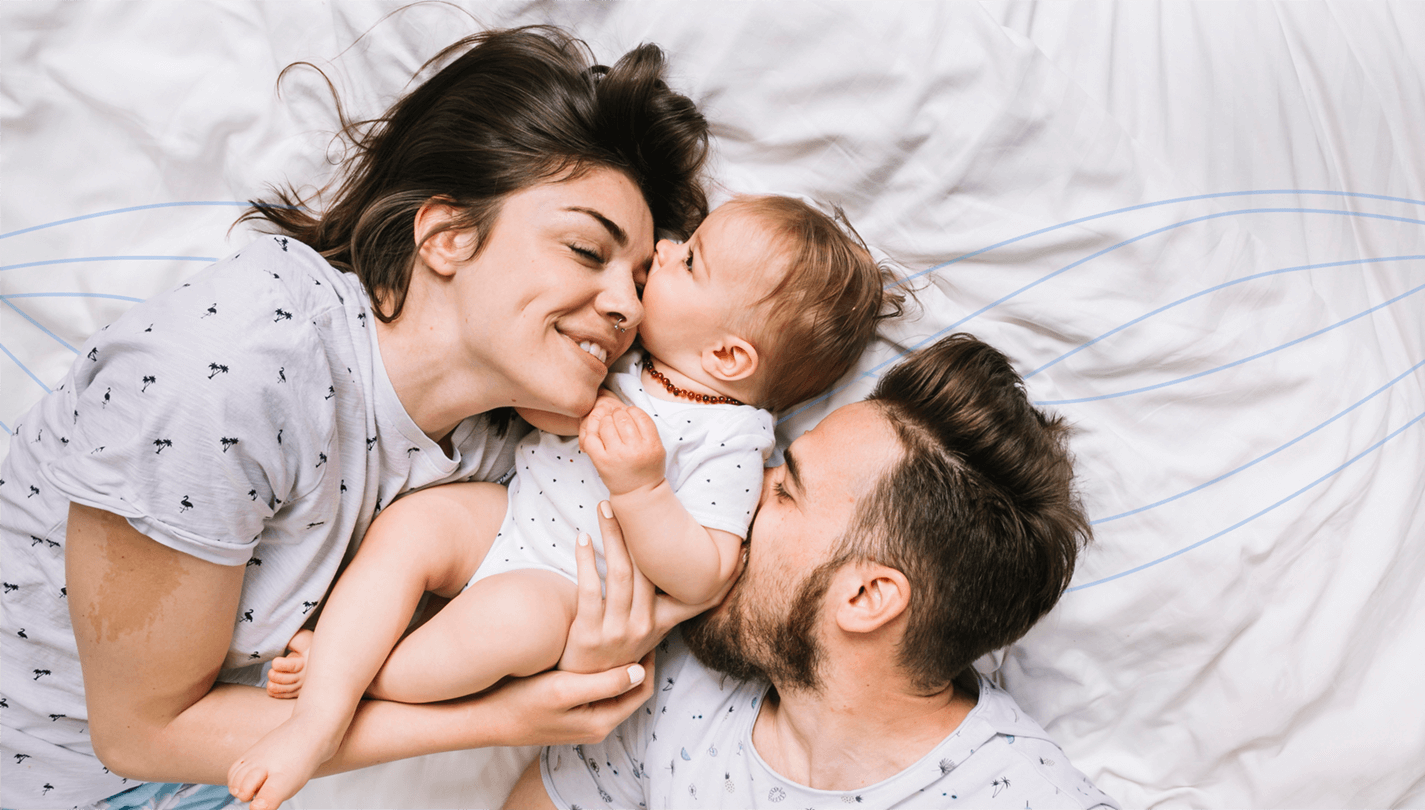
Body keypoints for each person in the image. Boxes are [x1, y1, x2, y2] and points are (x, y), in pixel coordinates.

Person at [0, 26, 711, 810]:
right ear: (447, 235)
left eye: (642, 279)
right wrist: (498, 718)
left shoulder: (507, 440)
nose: (625, 306)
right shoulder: (234, 364)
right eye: (586, 249)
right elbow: (140, 734)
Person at [226, 193, 904, 810]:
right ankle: (330, 688)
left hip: (565, 588)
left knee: (509, 620)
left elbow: (705, 569)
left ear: (728, 356)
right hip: (510, 512)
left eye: (690, 261)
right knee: (416, 525)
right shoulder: (629, 361)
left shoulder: (731, 440)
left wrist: (642, 487)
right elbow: (543, 409)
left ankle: (357, 680)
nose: (664, 249)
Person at [505, 333, 1120, 810]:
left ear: (867, 596)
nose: (750, 485)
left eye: (786, 488)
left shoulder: (1023, 795)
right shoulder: (670, 691)